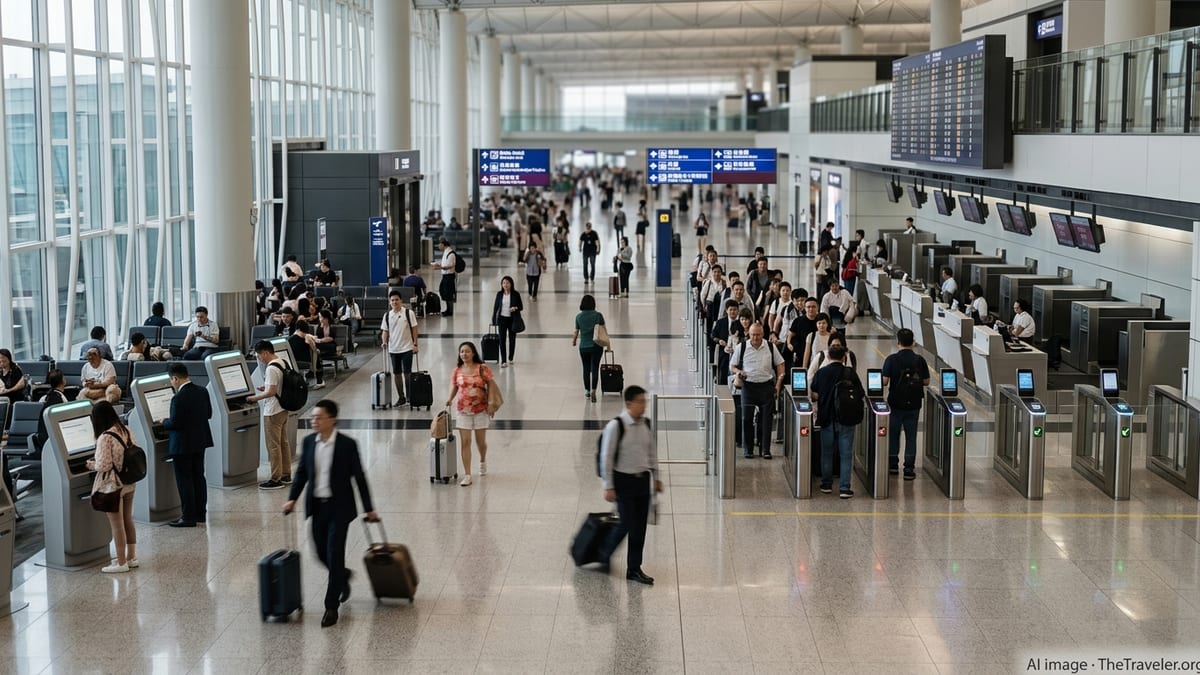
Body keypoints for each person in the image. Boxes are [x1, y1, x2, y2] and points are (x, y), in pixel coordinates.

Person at [283, 399, 379, 628]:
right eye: (313, 417)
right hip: (317, 507)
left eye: (319, 417)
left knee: (334, 553)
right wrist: (292, 500)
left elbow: (359, 477)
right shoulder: (309, 443)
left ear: (332, 420)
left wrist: (369, 508)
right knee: (319, 552)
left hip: (340, 508)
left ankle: (331, 606)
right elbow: (302, 474)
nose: (314, 421)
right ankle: (342, 576)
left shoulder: (347, 445)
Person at [598, 385, 661, 585]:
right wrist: (608, 485)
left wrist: (656, 476)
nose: (644, 406)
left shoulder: (646, 425)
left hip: (643, 481)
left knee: (639, 527)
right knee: (625, 523)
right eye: (640, 402)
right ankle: (603, 553)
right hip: (623, 481)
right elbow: (606, 457)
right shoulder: (616, 426)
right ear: (629, 404)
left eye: (645, 401)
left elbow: (652, 453)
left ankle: (634, 568)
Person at [87, 401, 138, 573]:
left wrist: (90, 465)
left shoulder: (105, 437)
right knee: (128, 520)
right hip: (129, 482)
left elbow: (103, 465)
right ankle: (132, 557)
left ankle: (121, 562)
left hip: (113, 486)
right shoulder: (126, 430)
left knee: (117, 525)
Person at [161, 362, 213, 527]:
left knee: (184, 480)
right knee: (198, 477)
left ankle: (188, 516)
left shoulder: (178, 398)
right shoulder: (202, 391)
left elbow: (175, 423)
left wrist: (164, 422)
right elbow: (209, 414)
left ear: (175, 378)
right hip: (200, 440)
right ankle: (200, 514)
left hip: (182, 445)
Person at [811, 344, 863, 498]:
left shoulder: (821, 372)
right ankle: (845, 488)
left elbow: (814, 391)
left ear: (828, 357)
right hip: (846, 418)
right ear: (844, 358)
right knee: (846, 454)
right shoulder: (850, 373)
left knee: (826, 452)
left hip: (827, 417)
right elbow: (861, 393)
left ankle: (826, 484)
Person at [729, 322, 785, 459]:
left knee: (767, 419)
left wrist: (778, 384)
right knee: (747, 418)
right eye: (753, 335)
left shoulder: (770, 347)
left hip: (766, 386)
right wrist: (739, 372)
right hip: (748, 386)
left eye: (758, 335)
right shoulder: (741, 347)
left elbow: (780, 365)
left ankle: (765, 449)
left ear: (763, 334)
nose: (755, 338)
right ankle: (748, 449)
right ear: (749, 334)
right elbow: (732, 365)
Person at [881, 328, 930, 480]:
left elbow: (884, 381)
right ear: (913, 342)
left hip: (895, 403)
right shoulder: (919, 360)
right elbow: (926, 381)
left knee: (894, 434)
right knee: (911, 436)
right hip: (914, 404)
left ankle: (893, 465)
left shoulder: (891, 359)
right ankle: (909, 468)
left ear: (898, 343)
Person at [445, 342, 496, 487]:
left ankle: (482, 460)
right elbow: (454, 385)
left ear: (473, 353)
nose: (464, 354)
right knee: (465, 442)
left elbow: (491, 383)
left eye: (467, 351)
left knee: (481, 442)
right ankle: (467, 474)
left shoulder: (482, 368)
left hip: (481, 410)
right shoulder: (457, 370)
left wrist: (491, 403)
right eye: (462, 352)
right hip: (463, 411)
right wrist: (450, 398)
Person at [248, 341, 293, 490]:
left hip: (272, 410)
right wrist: (266, 386)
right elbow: (278, 385)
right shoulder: (282, 362)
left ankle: (275, 479)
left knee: (273, 446)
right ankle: (286, 474)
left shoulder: (271, 368)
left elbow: (272, 392)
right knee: (283, 443)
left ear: (265, 353)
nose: (259, 358)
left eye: (258, 355)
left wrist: (255, 397)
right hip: (283, 408)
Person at [381, 290, 418, 406]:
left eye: (397, 299)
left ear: (401, 300)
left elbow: (414, 329)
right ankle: (401, 397)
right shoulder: (387, 316)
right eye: (392, 300)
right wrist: (384, 342)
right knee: (396, 373)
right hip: (393, 349)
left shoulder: (409, 313)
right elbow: (385, 331)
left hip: (407, 347)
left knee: (407, 373)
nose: (394, 302)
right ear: (389, 302)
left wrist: (415, 344)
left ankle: (410, 396)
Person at [572, 294, 606, 402]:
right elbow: (603, 330)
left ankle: (586, 391)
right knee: (595, 367)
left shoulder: (578, 316)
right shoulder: (598, 315)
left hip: (584, 347)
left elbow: (576, 331)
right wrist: (608, 345)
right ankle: (594, 390)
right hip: (596, 346)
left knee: (586, 368)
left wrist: (574, 341)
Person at [290, 320, 325, 390]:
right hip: (305, 363)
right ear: (299, 330)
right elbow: (314, 350)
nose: (304, 334)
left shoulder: (291, 339)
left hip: (296, 363)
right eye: (303, 332)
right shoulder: (306, 338)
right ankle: (319, 380)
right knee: (316, 354)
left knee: (316, 354)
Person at [432, 238, 459, 317]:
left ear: (444, 245)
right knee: (444, 291)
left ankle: (450, 311)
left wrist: (439, 267)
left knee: (449, 293)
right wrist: (438, 264)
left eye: (440, 244)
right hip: (445, 276)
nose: (438, 246)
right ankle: (448, 309)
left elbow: (449, 265)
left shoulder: (450, 254)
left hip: (449, 276)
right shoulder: (446, 253)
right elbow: (445, 263)